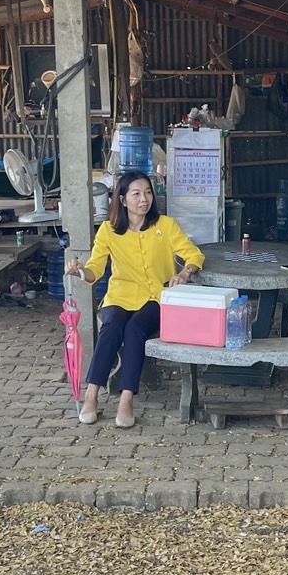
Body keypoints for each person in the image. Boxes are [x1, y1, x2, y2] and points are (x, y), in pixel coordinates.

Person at [65, 170, 204, 428]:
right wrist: (80, 271)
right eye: (136, 193)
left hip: (157, 298)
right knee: (112, 327)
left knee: (135, 329)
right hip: (120, 295)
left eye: (148, 192)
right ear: (122, 199)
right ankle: (91, 394)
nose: (144, 199)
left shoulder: (166, 226)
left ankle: (126, 398)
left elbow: (194, 255)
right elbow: (95, 269)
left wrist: (185, 273)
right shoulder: (108, 231)